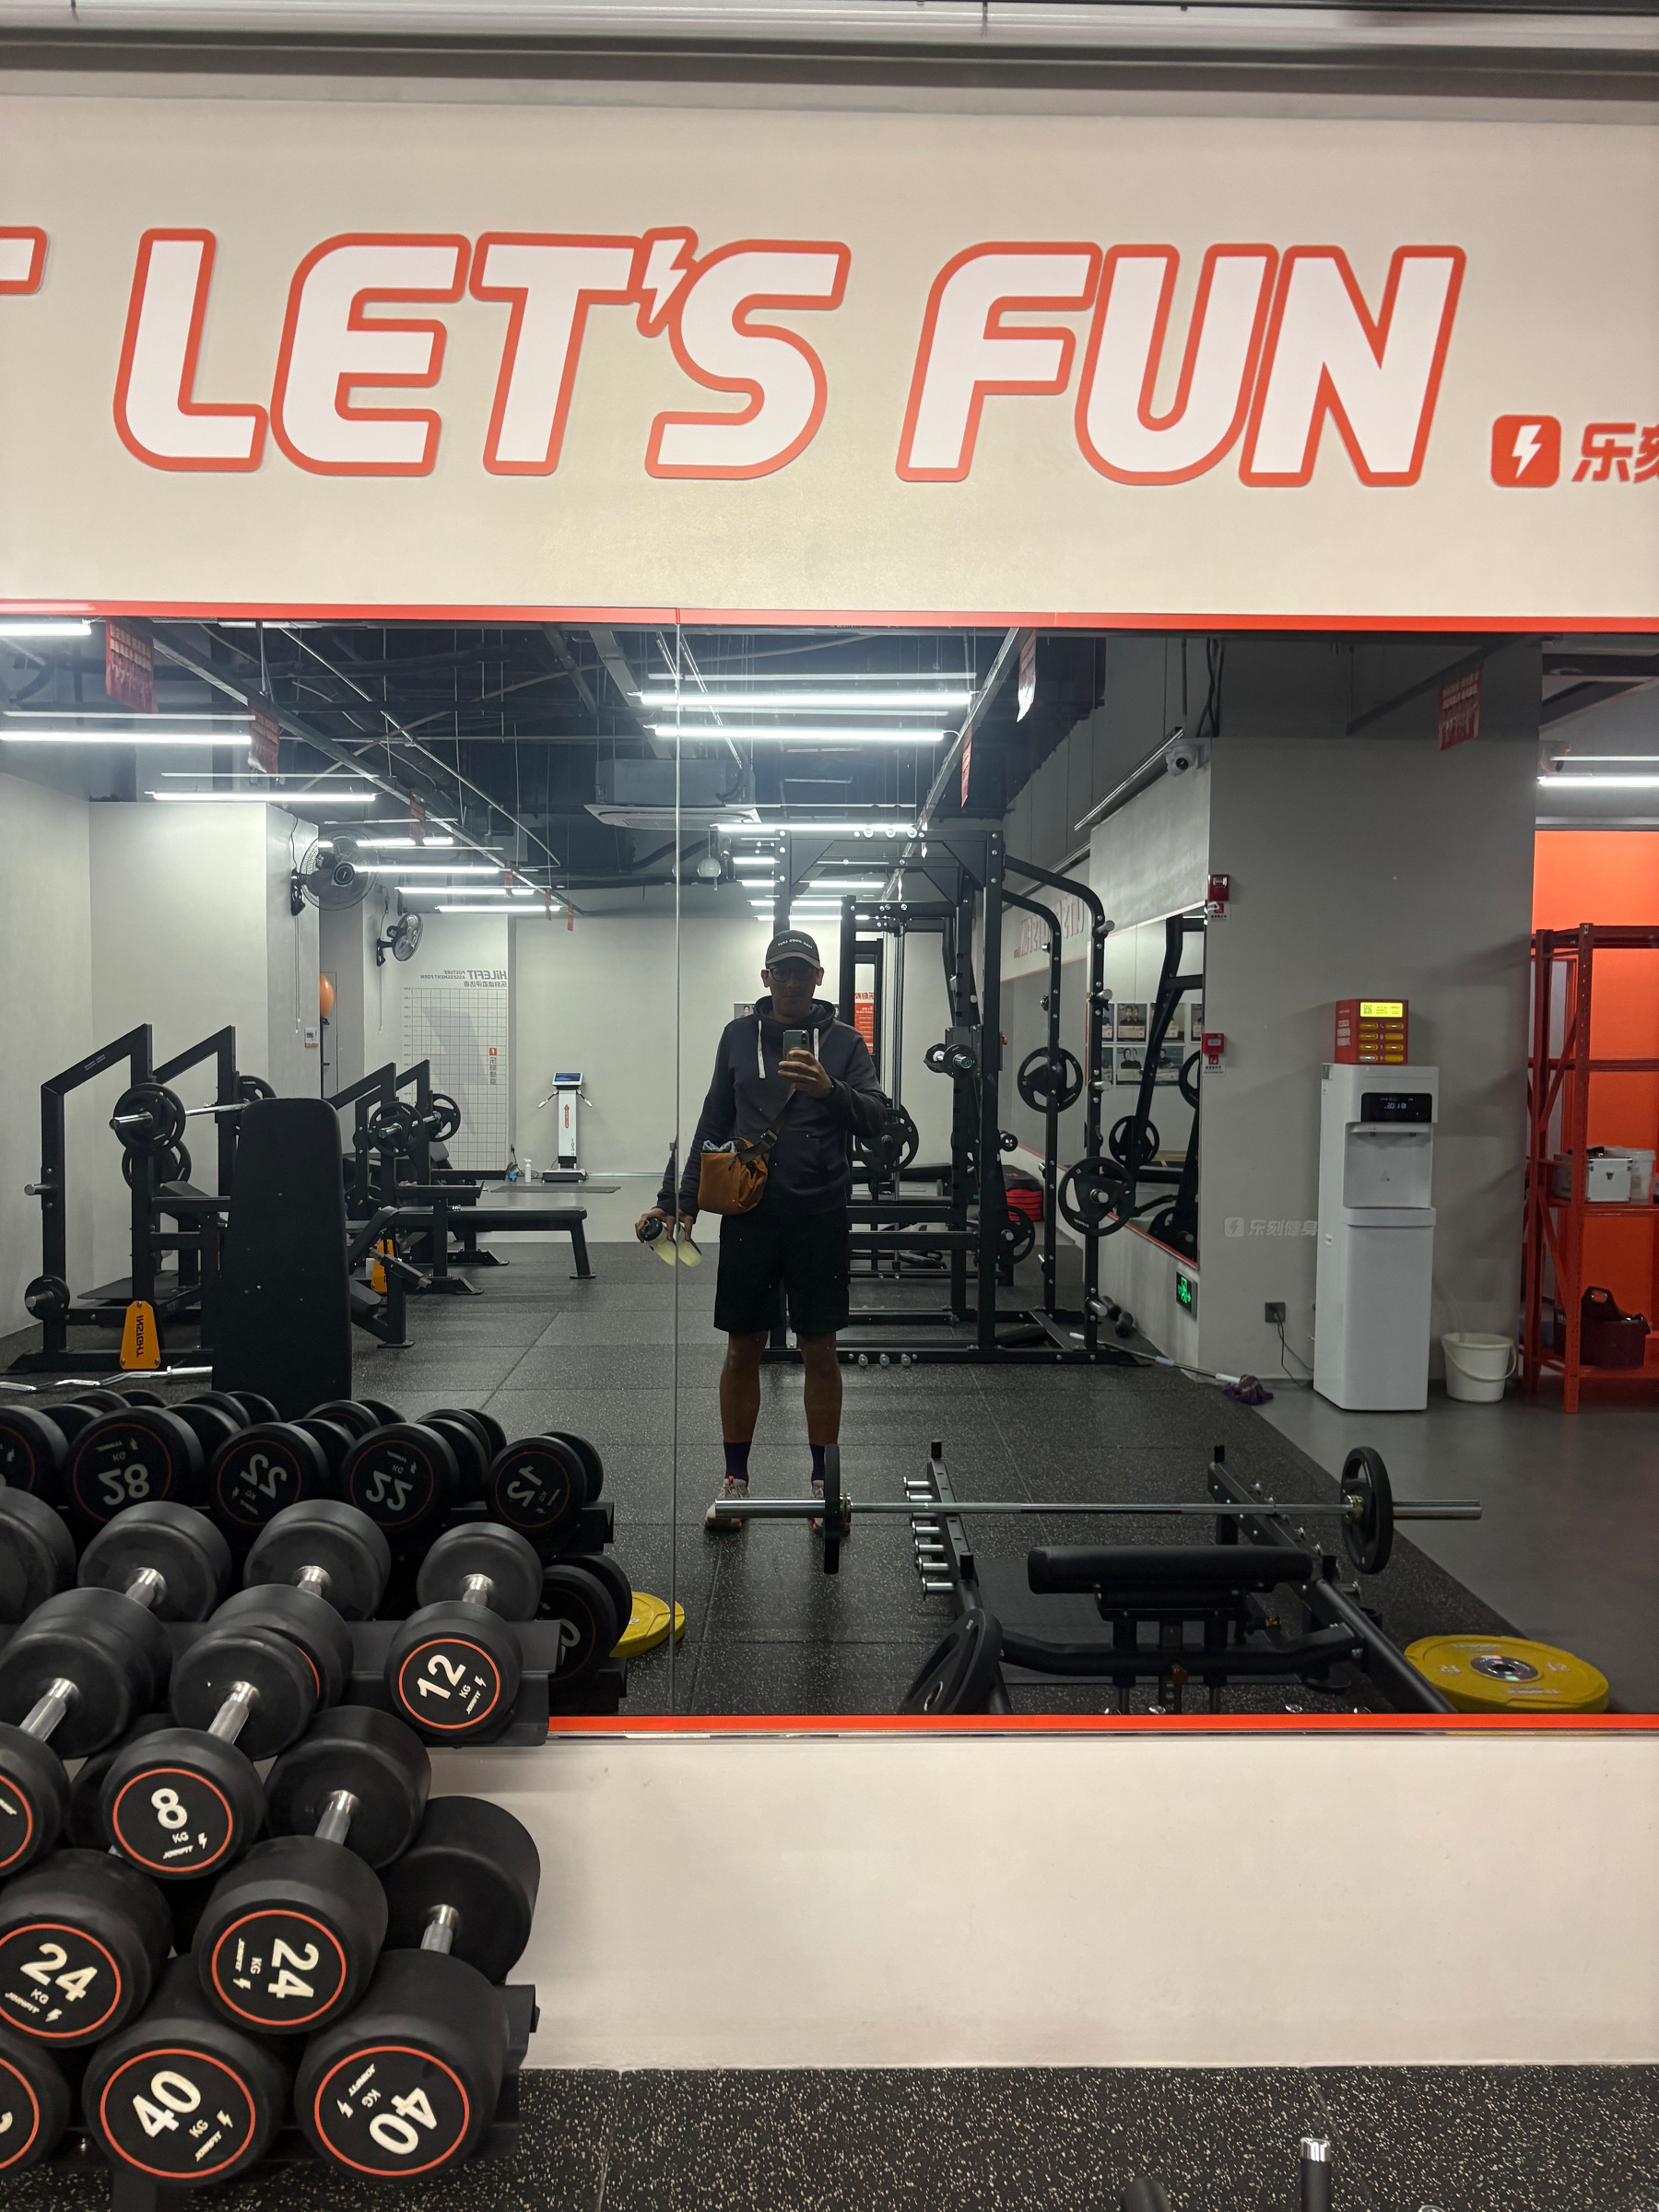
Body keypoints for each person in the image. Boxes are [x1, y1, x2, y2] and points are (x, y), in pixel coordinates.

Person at [637, 931, 887, 1519]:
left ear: (820, 978)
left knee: (819, 1349)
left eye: (803, 972)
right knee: (742, 1348)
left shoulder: (847, 1042)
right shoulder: (736, 1037)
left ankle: (825, 1480)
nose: (793, 982)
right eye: (782, 971)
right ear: (766, 977)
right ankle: (736, 1478)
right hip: (751, 1216)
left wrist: (831, 1091)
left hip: (820, 1216)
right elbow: (712, 1120)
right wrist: (679, 1201)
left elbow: (877, 1118)